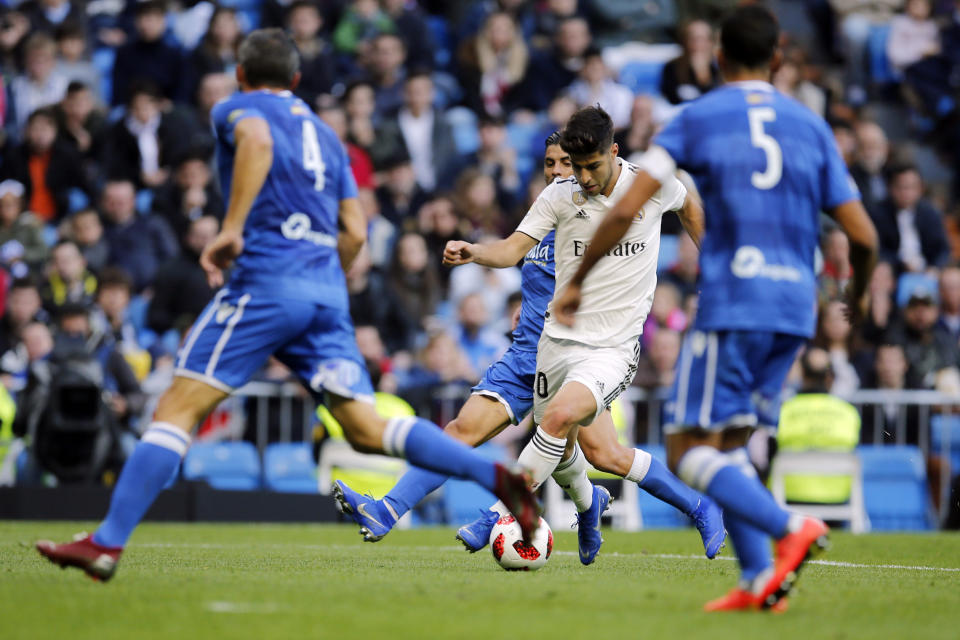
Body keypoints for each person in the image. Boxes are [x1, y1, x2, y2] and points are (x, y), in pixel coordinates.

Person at [35, 29, 539, 582]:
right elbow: (354, 231)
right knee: (367, 428)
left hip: (266, 281)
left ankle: (106, 543)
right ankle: (495, 477)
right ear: (297, 80)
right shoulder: (327, 136)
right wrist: (324, 274)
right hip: (324, 290)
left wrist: (229, 232)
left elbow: (255, 142)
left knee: (175, 410)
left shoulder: (239, 108)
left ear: (242, 74)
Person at [553, 6, 879, 611]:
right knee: (731, 444)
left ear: (719, 58)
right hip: (794, 306)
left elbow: (627, 206)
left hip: (735, 302)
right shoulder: (810, 125)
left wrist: (575, 284)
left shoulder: (698, 116)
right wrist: (853, 300)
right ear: (778, 57)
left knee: (688, 449)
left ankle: (789, 530)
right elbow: (862, 236)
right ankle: (758, 579)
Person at [335, 129, 724, 565]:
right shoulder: (549, 209)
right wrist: (481, 259)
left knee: (599, 451)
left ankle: (686, 506)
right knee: (464, 434)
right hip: (528, 355)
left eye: (569, 165)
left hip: (585, 352)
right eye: (552, 165)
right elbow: (510, 253)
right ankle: (388, 509)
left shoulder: (607, 211)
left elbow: (664, 215)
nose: (561, 173)